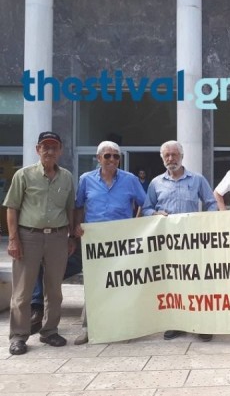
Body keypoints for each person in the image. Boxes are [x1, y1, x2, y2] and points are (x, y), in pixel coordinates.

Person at [3, 132, 76, 355]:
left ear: (60, 150)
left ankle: (50, 331)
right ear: (38, 149)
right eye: (45, 147)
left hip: (57, 237)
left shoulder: (66, 177)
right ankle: (18, 336)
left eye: (54, 147)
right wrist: (13, 239)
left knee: (54, 289)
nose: (50, 151)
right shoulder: (23, 175)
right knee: (23, 291)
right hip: (29, 236)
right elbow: (12, 208)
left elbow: (70, 209)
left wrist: (71, 236)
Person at [72, 140, 146, 345]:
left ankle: (123, 328)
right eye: (107, 156)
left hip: (122, 241)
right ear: (98, 158)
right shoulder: (86, 179)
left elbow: (145, 203)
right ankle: (88, 329)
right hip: (95, 243)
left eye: (116, 156)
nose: (112, 159)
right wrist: (76, 226)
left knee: (122, 283)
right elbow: (78, 206)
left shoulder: (130, 180)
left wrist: (138, 223)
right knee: (94, 285)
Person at [142, 140, 217, 341]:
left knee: (197, 282)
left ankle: (202, 324)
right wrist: (155, 213)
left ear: (182, 156)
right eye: (166, 155)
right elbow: (146, 208)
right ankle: (176, 324)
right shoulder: (156, 183)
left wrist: (205, 220)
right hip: (167, 243)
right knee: (172, 283)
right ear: (162, 158)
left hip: (193, 241)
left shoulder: (197, 179)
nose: (170, 158)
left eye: (174, 154)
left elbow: (211, 203)